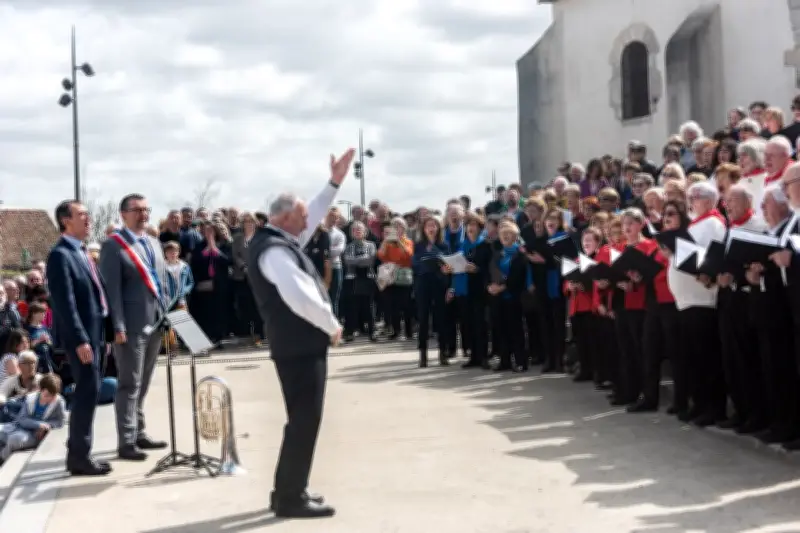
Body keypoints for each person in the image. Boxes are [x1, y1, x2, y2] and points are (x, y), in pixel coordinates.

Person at [247, 148, 355, 519]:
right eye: (303, 215)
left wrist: (334, 182)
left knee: (303, 419)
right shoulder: (274, 251)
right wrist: (332, 324)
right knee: (304, 419)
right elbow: (299, 296)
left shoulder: (278, 237)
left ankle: (289, 490)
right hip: (298, 346)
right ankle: (290, 497)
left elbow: (314, 213)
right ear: (286, 217)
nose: (311, 221)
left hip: (296, 345)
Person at [99, 194, 168, 461]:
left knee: (145, 381)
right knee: (129, 383)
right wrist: (117, 325)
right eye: (137, 210)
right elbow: (111, 291)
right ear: (123, 214)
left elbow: (160, 285)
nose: (143, 214)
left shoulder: (153, 243)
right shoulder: (113, 246)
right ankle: (126, 441)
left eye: (146, 209)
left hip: (155, 323)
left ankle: (139, 432)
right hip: (129, 326)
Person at [46, 199, 111, 476]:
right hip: (82, 339)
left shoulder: (82, 252)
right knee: (85, 393)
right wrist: (81, 339)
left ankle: (80, 452)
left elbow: (97, 295)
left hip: (96, 335)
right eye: (82, 215)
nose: (88, 219)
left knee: (91, 391)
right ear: (65, 221)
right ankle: (79, 457)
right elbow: (65, 303)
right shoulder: (60, 255)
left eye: (88, 214)